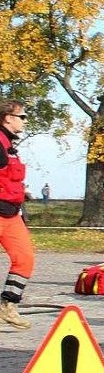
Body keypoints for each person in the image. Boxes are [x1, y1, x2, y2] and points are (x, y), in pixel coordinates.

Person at [0, 99, 35, 330]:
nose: (25, 120)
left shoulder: (10, 145)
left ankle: (7, 306)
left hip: (11, 214)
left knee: (25, 259)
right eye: (21, 116)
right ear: (7, 117)